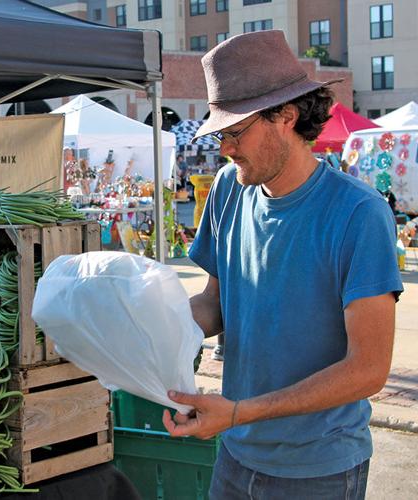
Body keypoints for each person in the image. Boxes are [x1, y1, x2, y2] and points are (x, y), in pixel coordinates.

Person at [162, 31, 402, 499]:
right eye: (221, 134)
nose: (225, 149)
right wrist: (144, 321)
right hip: (235, 452)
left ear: (286, 117)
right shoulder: (230, 190)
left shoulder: (359, 214)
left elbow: (368, 369)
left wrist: (240, 411)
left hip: (319, 469)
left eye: (235, 132)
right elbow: (215, 305)